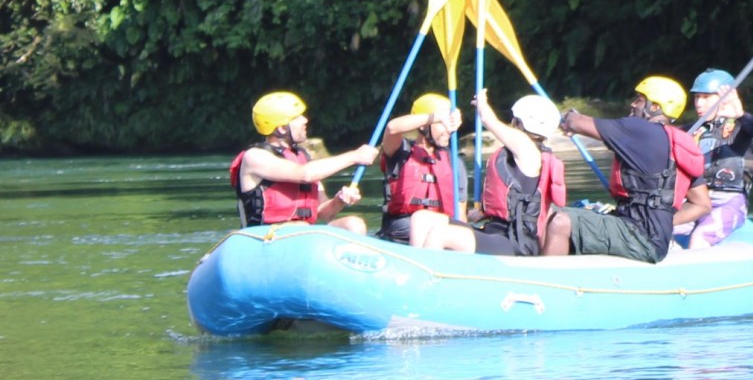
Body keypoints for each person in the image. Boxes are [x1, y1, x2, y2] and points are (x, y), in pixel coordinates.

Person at [543, 76, 709, 262]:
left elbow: (576, 122)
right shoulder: (676, 143)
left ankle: (544, 284)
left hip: (640, 238)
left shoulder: (638, 129)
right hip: (646, 234)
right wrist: (664, 220)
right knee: (550, 211)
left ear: (654, 107)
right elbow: (701, 204)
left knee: (560, 222)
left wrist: (568, 116)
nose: (632, 104)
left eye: (639, 99)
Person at [410, 90, 567, 255]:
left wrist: (482, 104)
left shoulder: (526, 146)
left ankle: (429, 275)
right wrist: (482, 213)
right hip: (495, 233)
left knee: (441, 234)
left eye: (514, 119)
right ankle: (416, 265)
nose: (511, 123)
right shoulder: (523, 151)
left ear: (521, 122)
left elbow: (488, 120)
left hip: (514, 242)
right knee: (421, 218)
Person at [230, 91, 379, 232]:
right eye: (297, 117)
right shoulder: (255, 157)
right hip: (263, 238)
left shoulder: (303, 157)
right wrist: (355, 156)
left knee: (353, 224)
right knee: (300, 226)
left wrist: (339, 200)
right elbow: (305, 174)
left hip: (302, 234)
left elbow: (324, 213)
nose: (305, 120)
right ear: (282, 128)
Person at [674, 68, 753, 248]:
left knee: (700, 237)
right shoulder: (687, 130)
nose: (699, 103)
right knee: (660, 229)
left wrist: (740, 115)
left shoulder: (742, 126)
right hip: (695, 200)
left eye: (706, 97)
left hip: (729, 200)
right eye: (697, 97)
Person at [376, 92, 468, 243]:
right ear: (423, 126)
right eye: (443, 124)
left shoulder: (455, 163)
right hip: (401, 233)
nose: (449, 130)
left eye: (450, 125)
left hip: (439, 235)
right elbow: (392, 128)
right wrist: (438, 116)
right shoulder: (400, 151)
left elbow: (461, 217)